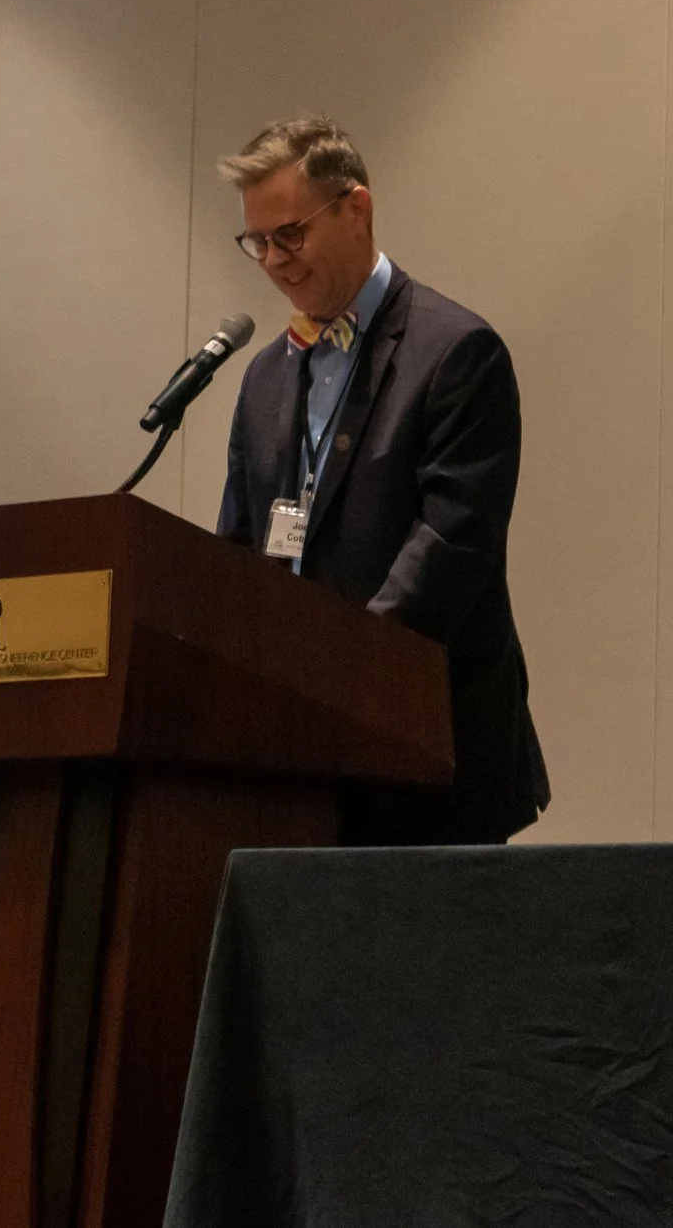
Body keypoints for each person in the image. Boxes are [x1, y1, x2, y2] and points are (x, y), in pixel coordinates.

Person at [215, 116, 549, 844]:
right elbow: (242, 548)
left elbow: (450, 546)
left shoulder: (456, 352)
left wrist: (336, 682)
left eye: (290, 235)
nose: (274, 261)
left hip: (429, 758)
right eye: (258, 242)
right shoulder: (264, 375)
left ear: (356, 209)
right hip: (293, 763)